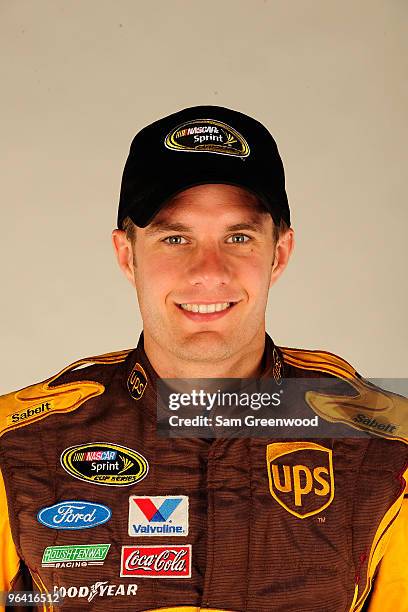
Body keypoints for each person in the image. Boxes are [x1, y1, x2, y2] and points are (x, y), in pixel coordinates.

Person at [0, 105, 406, 612]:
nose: (208, 271)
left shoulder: (385, 450)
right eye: (175, 238)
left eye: (238, 237)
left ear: (278, 253)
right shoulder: (18, 447)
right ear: (127, 254)